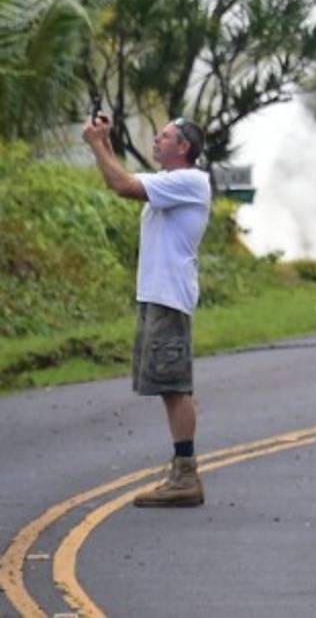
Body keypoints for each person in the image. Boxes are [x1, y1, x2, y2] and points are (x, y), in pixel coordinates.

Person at [82, 115, 211, 507]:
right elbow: (121, 177)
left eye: (165, 136)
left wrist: (96, 144)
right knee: (170, 385)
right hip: (159, 296)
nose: (156, 140)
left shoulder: (190, 181)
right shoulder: (171, 184)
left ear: (183, 147)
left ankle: (186, 474)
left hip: (169, 297)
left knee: (174, 385)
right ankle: (181, 470)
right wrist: (102, 143)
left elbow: (122, 184)